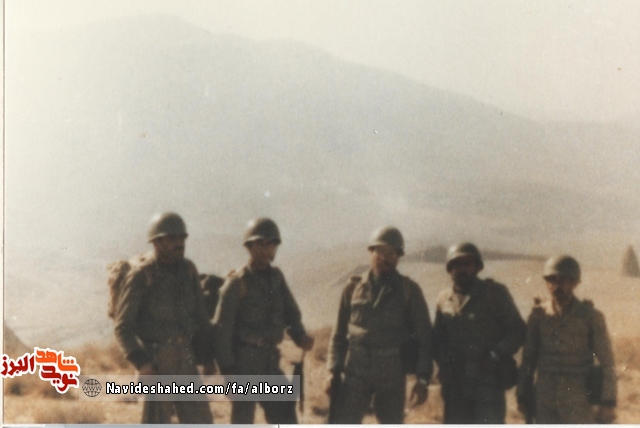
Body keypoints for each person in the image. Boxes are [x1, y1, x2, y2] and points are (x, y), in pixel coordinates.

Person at [326, 226, 433, 424]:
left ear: (398, 257)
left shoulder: (409, 291)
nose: (386, 258)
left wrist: (422, 379)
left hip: (391, 373)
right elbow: (338, 333)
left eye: (392, 253)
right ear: (371, 252)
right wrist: (333, 371)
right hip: (355, 370)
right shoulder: (353, 288)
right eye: (381, 251)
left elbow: (425, 337)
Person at [114, 212, 213, 423]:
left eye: (182, 238)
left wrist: (207, 357)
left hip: (186, 360)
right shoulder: (142, 275)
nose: (179, 243)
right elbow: (123, 327)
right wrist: (142, 363)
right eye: (172, 238)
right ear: (157, 242)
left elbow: (201, 318)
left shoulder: (188, 271)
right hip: (157, 364)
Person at [213, 217, 314, 424]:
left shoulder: (277, 279)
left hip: (269, 360)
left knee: (285, 410)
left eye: (270, 244)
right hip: (244, 363)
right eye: (260, 244)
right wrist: (228, 372)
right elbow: (221, 331)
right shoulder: (237, 283)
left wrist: (300, 336)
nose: (265, 250)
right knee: (243, 419)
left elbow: (290, 314)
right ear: (249, 247)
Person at [516, 255, 617, 424]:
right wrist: (522, 393)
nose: (557, 286)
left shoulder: (590, 317)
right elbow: (528, 360)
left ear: (575, 283)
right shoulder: (538, 316)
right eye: (552, 280)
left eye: (563, 280)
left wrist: (608, 401)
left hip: (578, 399)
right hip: (545, 398)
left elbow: (607, 361)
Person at [432, 242, 526, 424]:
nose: (462, 269)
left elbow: (517, 330)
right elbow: (437, 339)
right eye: (456, 265)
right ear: (450, 269)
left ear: (476, 267)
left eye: (467, 264)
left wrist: (496, 354)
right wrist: (443, 363)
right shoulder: (444, 299)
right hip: (456, 384)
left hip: (487, 382)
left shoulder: (495, 293)